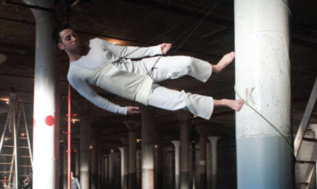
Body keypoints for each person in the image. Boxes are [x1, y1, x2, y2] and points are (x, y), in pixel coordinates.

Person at [52, 24, 244, 120]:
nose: (74, 39)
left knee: (186, 62)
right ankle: (227, 103)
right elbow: (95, 98)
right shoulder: (74, 75)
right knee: (183, 100)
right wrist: (121, 110)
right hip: (139, 91)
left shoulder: (95, 43)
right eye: (68, 38)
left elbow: (126, 51)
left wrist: (155, 49)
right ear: (61, 46)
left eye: (74, 35)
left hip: (144, 67)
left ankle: (216, 68)